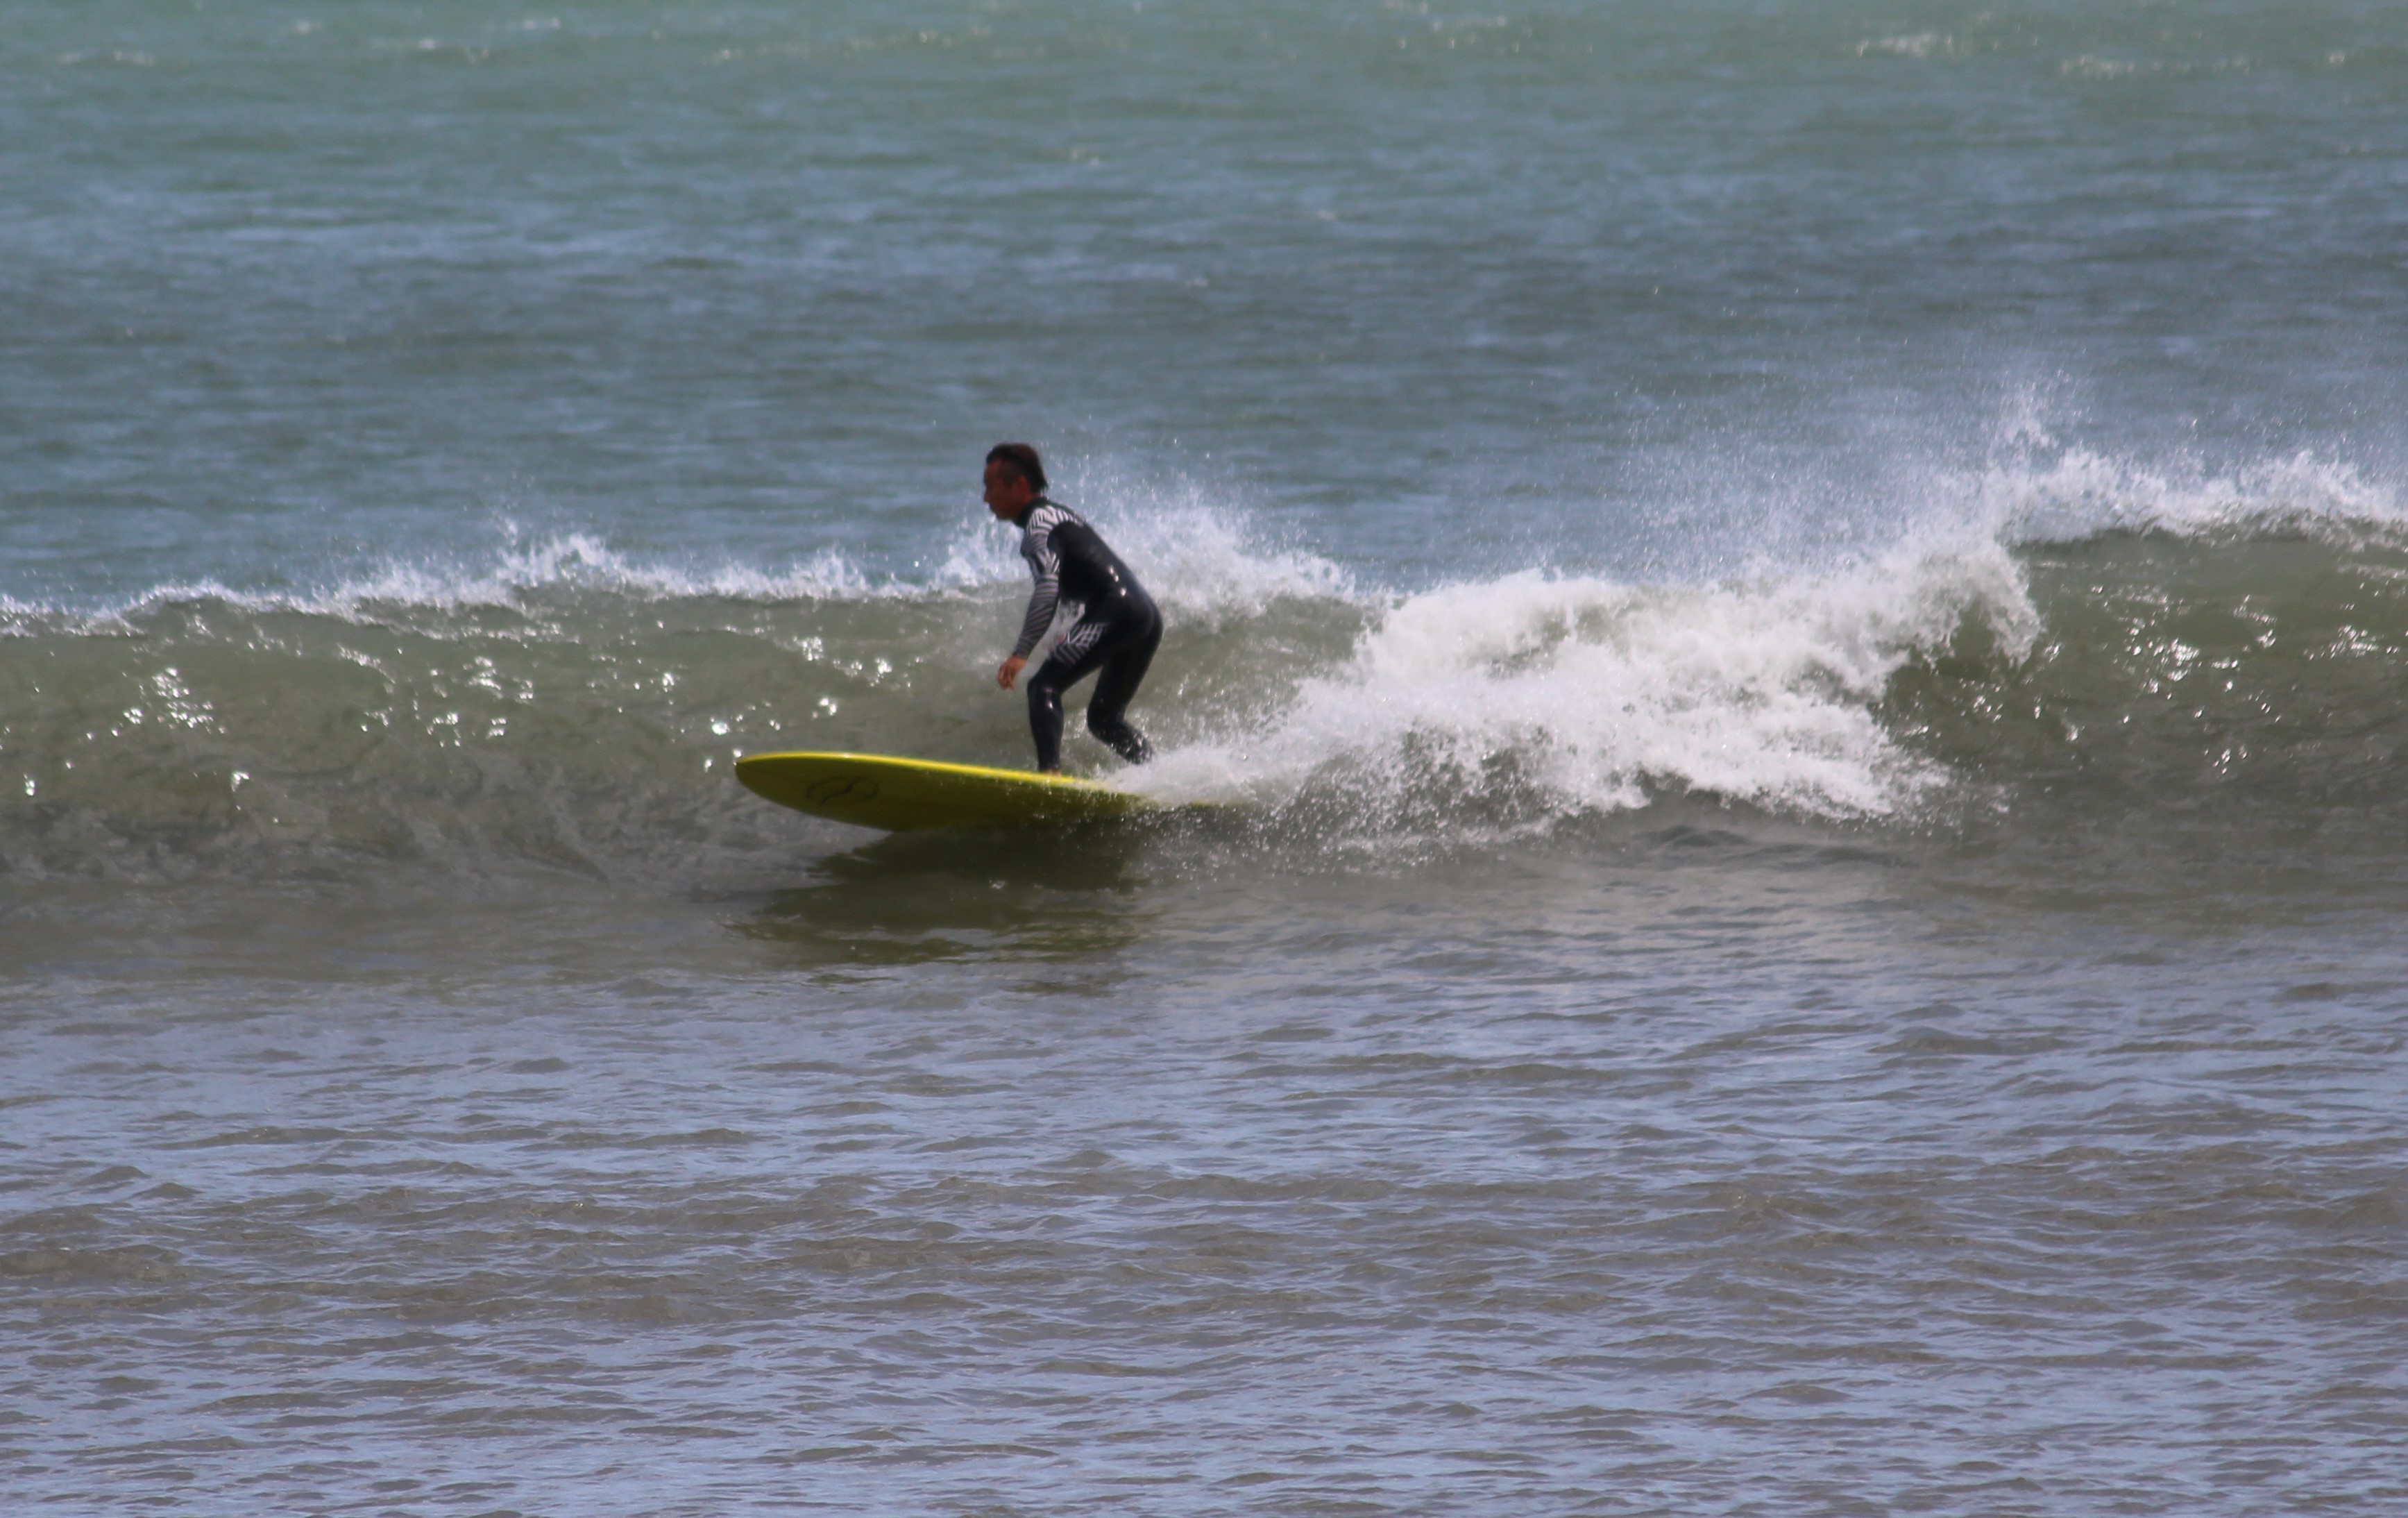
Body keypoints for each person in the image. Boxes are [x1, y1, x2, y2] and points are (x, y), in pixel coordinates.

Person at [983, 443, 1160, 773]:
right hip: (1143, 615)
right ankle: (1161, 775)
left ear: (1019, 486)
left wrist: (1021, 652)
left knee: (1043, 687)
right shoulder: (1061, 515)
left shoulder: (1038, 527)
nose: (985, 498)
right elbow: (1078, 580)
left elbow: (1048, 587)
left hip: (1117, 612)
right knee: (1104, 720)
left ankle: (1049, 777)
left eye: (990, 487)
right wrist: (1069, 631)